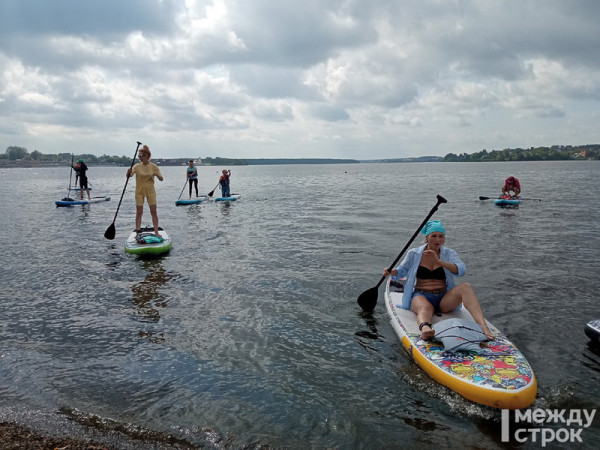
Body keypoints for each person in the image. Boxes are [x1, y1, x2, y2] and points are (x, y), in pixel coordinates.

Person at [383, 220, 493, 341]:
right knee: (424, 308)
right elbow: (402, 271)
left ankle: (483, 326)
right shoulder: (414, 253)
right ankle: (425, 329)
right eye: (434, 236)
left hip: (443, 298)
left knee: (465, 286)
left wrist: (439, 262)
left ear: (444, 239)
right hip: (421, 295)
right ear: (427, 238)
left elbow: (461, 270)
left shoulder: (449, 253)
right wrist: (391, 271)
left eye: (441, 236)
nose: (437, 239)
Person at [126, 145, 164, 237]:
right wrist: (128, 172)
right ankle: (138, 232)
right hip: (139, 191)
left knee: (153, 211)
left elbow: (161, 178)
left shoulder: (153, 166)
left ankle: (156, 232)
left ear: (146, 156)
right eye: (138, 156)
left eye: (141, 156)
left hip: (150, 191)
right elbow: (128, 176)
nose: (139, 158)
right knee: (139, 212)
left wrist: (156, 174)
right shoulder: (137, 166)